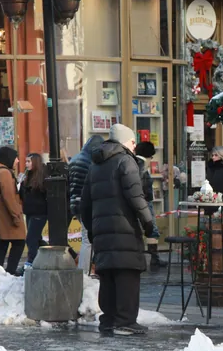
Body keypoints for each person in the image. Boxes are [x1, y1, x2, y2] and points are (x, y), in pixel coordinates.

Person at [81, 124, 155, 336]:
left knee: (108, 276)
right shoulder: (126, 161)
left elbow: (84, 204)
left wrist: (92, 228)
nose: (134, 147)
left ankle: (109, 320)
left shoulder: (95, 164)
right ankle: (126, 321)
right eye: (132, 142)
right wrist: (148, 224)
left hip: (102, 230)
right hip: (125, 230)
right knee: (127, 274)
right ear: (125, 142)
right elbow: (136, 198)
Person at [69, 135, 105, 274]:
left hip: (74, 202)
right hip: (86, 203)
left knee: (87, 237)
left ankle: (86, 269)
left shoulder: (75, 159)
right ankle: (84, 272)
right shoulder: (90, 162)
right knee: (87, 239)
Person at [0, 147, 26, 275]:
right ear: (8, 158)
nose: (17, 161)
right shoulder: (4, 173)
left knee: (0, 245)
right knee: (19, 242)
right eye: (15, 158)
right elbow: (9, 197)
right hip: (6, 217)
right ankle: (10, 271)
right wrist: (16, 216)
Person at [134, 141, 166, 272]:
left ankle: (152, 258)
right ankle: (154, 258)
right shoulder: (141, 165)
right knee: (151, 229)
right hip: (145, 202)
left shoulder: (133, 162)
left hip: (141, 201)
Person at [19, 153, 47, 270]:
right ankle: (48, 255)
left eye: (29, 162)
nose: (26, 164)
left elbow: (44, 194)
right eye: (26, 161)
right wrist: (20, 184)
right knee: (37, 239)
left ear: (35, 163)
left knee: (31, 238)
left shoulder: (42, 177)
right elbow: (22, 196)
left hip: (39, 212)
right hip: (29, 211)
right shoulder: (27, 176)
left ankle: (31, 262)